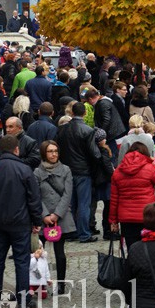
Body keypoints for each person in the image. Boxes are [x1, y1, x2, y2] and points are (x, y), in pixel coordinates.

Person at [0, 135, 43, 308]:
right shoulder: (24, 170)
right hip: (20, 221)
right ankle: (23, 298)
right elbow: (34, 199)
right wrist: (36, 220)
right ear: (16, 149)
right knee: (21, 260)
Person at [109, 142, 155, 249]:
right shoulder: (150, 168)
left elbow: (114, 199)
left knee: (132, 249)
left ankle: (133, 265)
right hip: (147, 215)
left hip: (126, 218)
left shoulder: (118, 172)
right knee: (149, 248)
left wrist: (113, 221)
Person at [56, 102, 101, 243]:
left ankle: (72, 231)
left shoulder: (62, 130)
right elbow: (95, 154)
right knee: (83, 203)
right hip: (83, 171)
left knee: (71, 203)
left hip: (67, 170)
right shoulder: (87, 130)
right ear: (85, 113)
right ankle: (84, 233)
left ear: (72, 113)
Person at [33, 140, 74, 296]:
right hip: (43, 217)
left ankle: (62, 284)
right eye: (50, 151)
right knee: (38, 252)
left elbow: (67, 194)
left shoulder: (66, 170)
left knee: (60, 252)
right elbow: (36, 196)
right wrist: (44, 215)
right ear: (44, 153)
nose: (54, 154)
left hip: (60, 215)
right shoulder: (37, 172)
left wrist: (57, 214)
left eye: (55, 151)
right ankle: (39, 284)